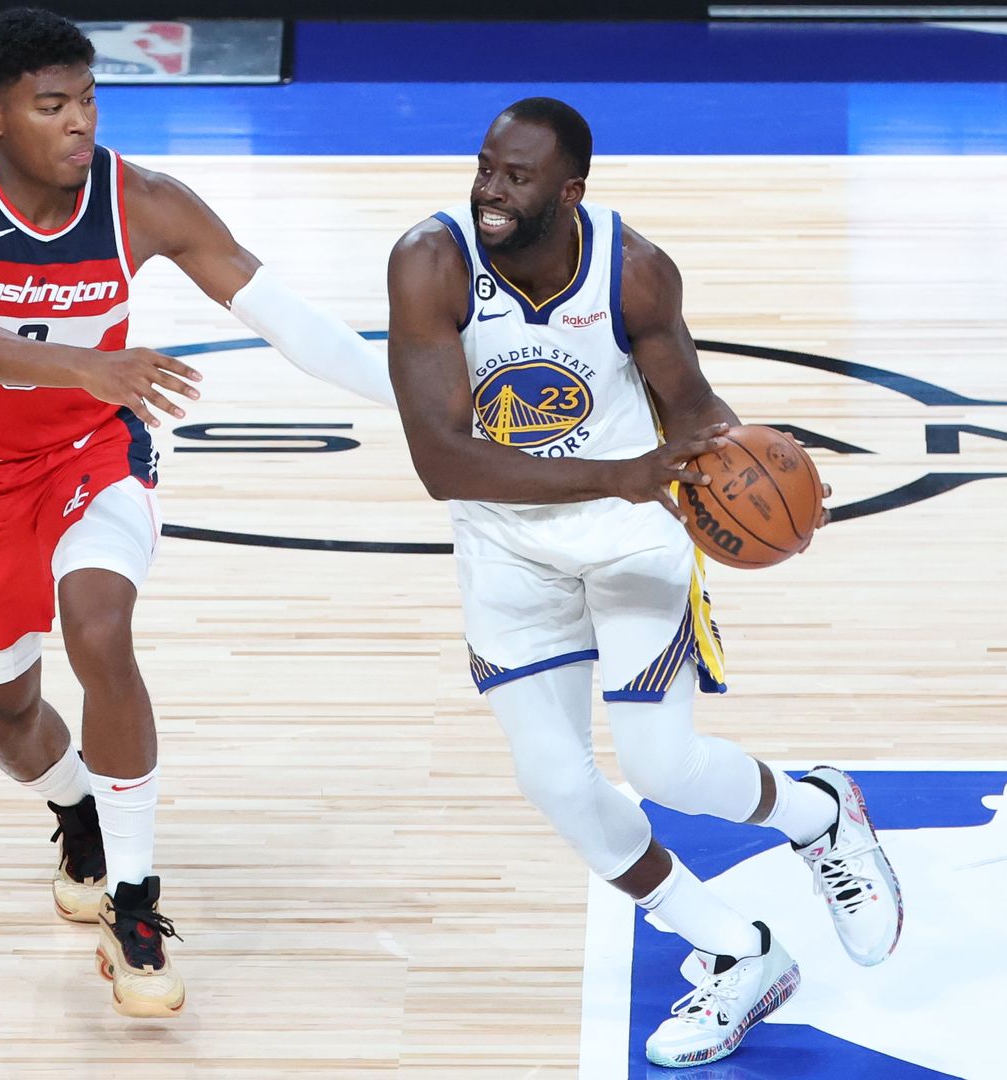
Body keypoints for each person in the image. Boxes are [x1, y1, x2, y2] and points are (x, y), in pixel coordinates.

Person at [0, 8, 391, 1019]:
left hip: (89, 455)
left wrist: (422, 407)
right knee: (8, 714)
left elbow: (283, 315)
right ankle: (75, 804)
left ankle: (135, 897)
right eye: (51, 105)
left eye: (88, 99)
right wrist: (90, 360)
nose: (80, 123)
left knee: (102, 632)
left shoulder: (144, 200)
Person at [383, 97, 903, 1068]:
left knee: (662, 767)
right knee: (553, 777)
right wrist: (615, 474)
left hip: (632, 539)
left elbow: (691, 404)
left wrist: (761, 468)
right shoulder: (432, 261)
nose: (490, 189)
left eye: (516, 176)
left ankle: (821, 813)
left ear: (571, 190)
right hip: (509, 543)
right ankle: (737, 950)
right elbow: (443, 463)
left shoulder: (633, 269)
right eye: (486, 166)